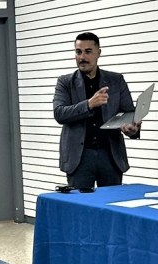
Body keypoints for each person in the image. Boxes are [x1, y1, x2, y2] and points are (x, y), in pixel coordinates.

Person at [53, 32, 141, 190]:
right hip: (79, 157)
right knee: (80, 203)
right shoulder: (65, 82)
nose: (82, 57)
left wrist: (132, 129)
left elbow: (129, 113)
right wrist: (89, 104)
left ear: (99, 53)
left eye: (88, 51)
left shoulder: (116, 80)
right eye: (78, 52)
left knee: (111, 202)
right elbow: (59, 113)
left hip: (110, 155)